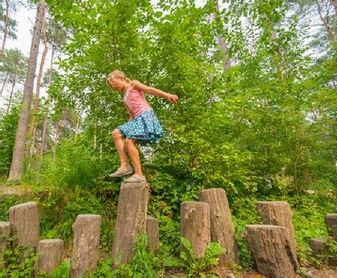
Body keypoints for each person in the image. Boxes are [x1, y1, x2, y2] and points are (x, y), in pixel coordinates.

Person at [106, 70, 179, 183]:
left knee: (129, 141)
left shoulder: (133, 85)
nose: (113, 87)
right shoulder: (125, 98)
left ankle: (139, 174)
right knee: (116, 133)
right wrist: (126, 129)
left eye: (114, 84)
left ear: (120, 78)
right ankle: (125, 165)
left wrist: (167, 95)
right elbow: (131, 116)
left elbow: (150, 90)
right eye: (112, 86)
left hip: (146, 115)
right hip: (137, 119)